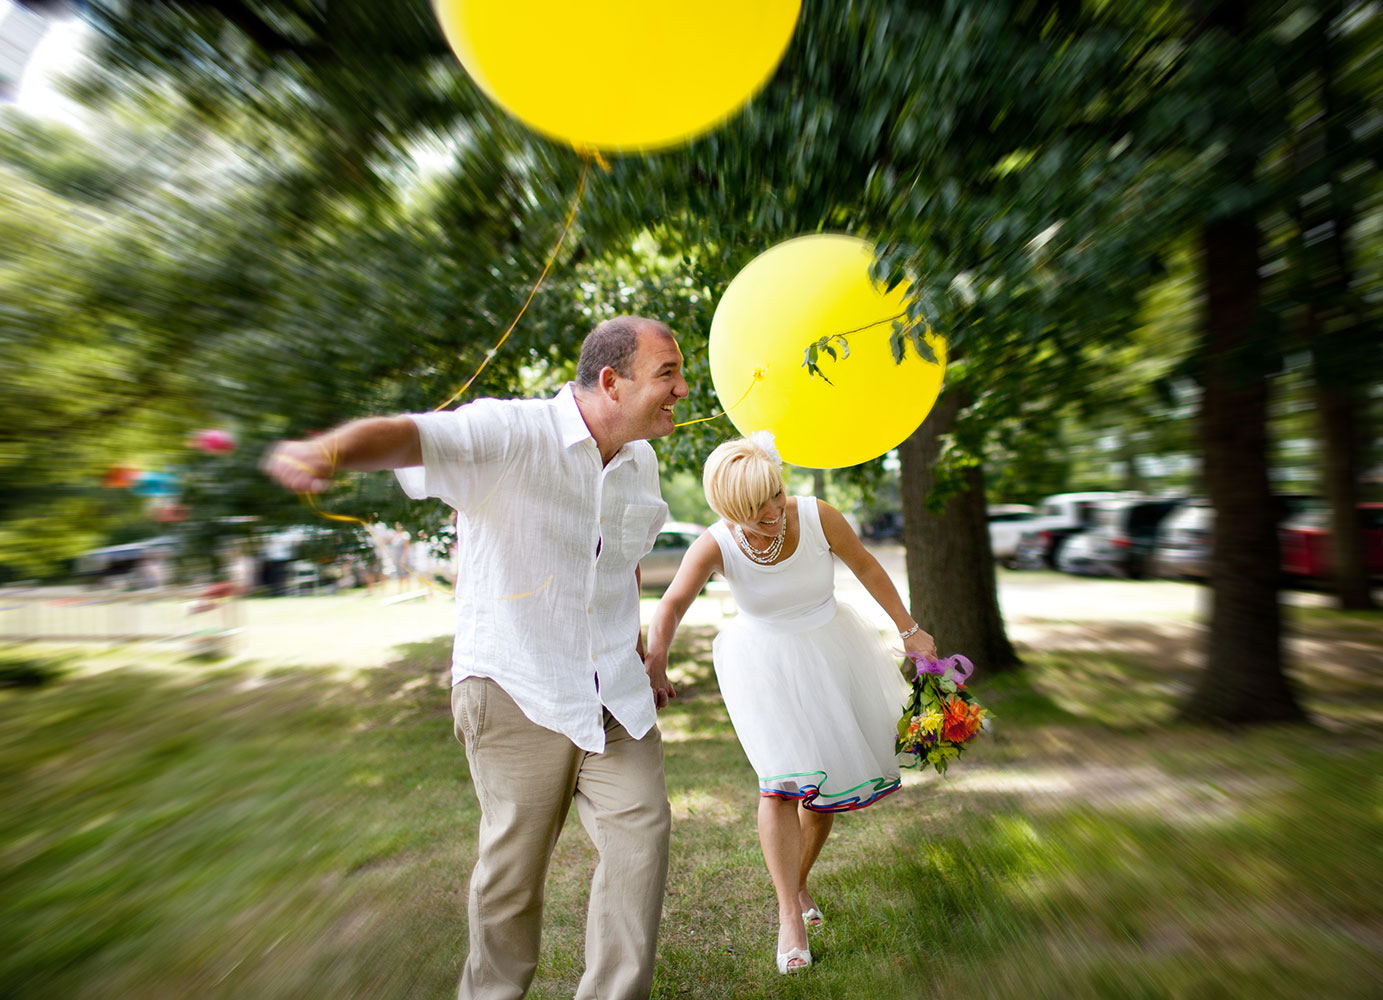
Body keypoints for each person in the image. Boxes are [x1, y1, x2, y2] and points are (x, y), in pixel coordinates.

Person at [262, 316, 689, 1000]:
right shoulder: (513, 433)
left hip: (614, 695)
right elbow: (411, 435)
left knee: (643, 839)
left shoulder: (640, 461)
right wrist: (327, 450)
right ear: (612, 381)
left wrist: (642, 650)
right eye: (667, 373)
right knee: (512, 882)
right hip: (519, 686)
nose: (682, 389)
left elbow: (622, 561)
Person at [644, 433, 936, 975]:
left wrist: (909, 628)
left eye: (776, 495)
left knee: (818, 790)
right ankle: (789, 916)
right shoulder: (715, 543)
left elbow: (869, 567)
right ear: (731, 511)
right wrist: (656, 660)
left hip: (831, 651)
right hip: (765, 666)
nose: (774, 511)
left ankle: (796, 883)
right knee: (779, 784)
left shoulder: (818, 515)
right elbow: (672, 603)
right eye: (757, 509)